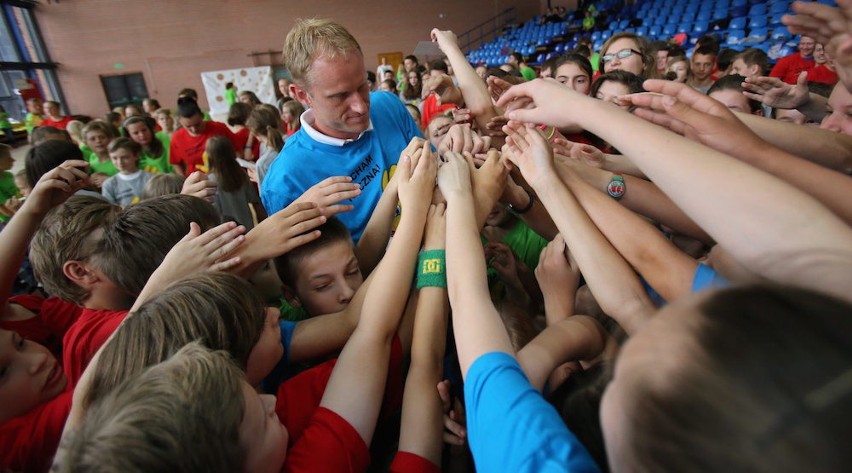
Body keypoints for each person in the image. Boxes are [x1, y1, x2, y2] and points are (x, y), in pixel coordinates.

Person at [261, 18, 421, 241]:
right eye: (340, 96)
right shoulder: (287, 181)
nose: (361, 106)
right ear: (301, 95)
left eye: (363, 85)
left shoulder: (387, 105)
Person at [205, 136, 264, 229]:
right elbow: (256, 203)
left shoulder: (209, 181)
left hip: (226, 230)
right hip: (246, 227)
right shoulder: (241, 174)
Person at [169, 96, 237, 176]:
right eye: (188, 127)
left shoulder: (219, 128)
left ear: (202, 116)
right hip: (198, 180)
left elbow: (237, 150)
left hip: (225, 176)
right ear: (180, 122)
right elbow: (176, 163)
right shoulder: (177, 138)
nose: (194, 129)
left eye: (197, 124)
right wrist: (183, 179)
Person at [101, 137, 154, 206]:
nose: (120, 162)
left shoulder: (151, 178)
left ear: (136, 156)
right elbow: (109, 210)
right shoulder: (109, 184)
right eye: (114, 158)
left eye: (125, 157)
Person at [80, 120, 119, 187]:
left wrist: (109, 181)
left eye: (102, 137)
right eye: (92, 139)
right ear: (86, 143)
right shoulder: (92, 157)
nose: (98, 141)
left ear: (110, 139)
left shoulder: (119, 158)